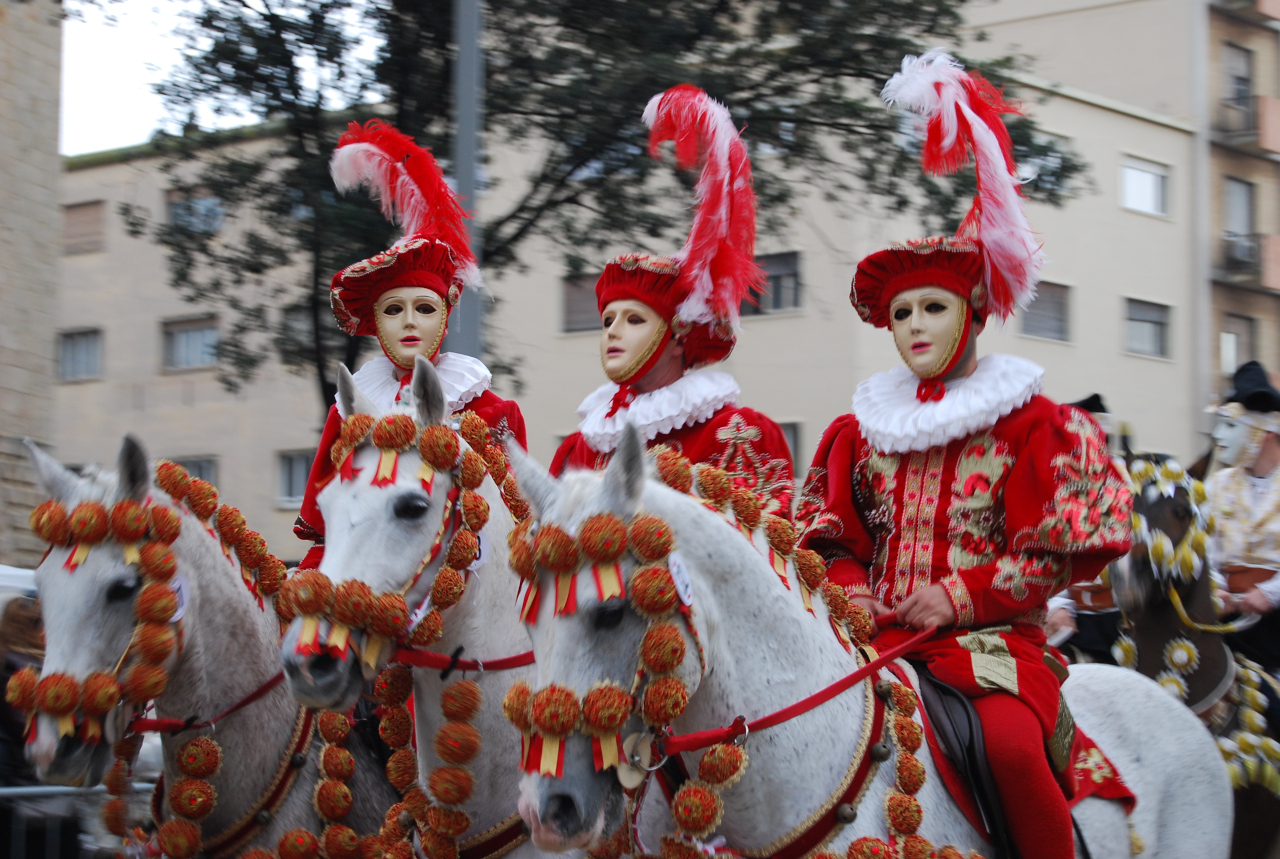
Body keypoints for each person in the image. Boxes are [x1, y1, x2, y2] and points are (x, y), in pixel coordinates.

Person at [796, 52, 1132, 859]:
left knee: (1013, 751)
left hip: (992, 650)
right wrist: (851, 595)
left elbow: (1053, 552)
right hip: (868, 642)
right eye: (902, 311)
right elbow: (831, 537)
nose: (914, 324)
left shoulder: (1033, 423)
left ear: (975, 310)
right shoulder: (859, 429)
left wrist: (958, 593)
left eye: (933, 306)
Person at [549, 85, 794, 517]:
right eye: (607, 321)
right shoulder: (581, 447)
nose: (613, 333)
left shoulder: (735, 434)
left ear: (679, 335)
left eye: (634, 320)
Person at [294, 120, 527, 568]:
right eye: (393, 310)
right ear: (375, 321)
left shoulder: (495, 413)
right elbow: (326, 534)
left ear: (447, 309)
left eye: (423, 308)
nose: (409, 323)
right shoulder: (346, 416)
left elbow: (512, 541)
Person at [1208, 361, 1280, 672]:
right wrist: (1214, 588)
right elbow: (1203, 549)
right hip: (1228, 622)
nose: (1219, 436)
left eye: (1231, 426)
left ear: (1263, 433)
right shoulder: (1216, 485)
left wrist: (1270, 594)